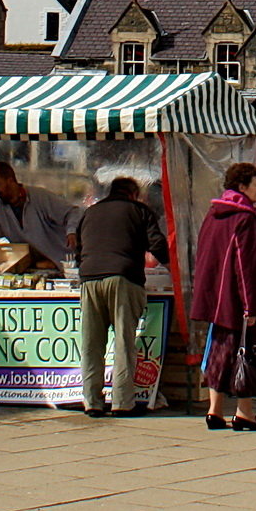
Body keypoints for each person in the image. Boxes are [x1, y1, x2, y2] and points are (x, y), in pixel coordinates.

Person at [189, 162, 256, 432]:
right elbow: (246, 267)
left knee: (220, 352)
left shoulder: (214, 215)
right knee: (247, 353)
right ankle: (244, 412)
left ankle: (214, 410)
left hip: (217, 300)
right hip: (238, 302)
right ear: (242, 187)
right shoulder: (244, 219)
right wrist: (250, 306)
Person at [68, 177, 169, 418]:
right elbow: (157, 244)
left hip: (90, 278)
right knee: (123, 341)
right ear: (133, 194)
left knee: (92, 344)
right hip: (123, 278)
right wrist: (173, 269)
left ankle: (92, 402)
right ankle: (123, 403)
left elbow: (79, 251)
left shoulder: (90, 213)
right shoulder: (139, 210)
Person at [0, 162, 79, 268]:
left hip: (65, 264)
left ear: (10, 181)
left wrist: (71, 230)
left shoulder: (40, 197)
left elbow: (73, 211)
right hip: (33, 269)